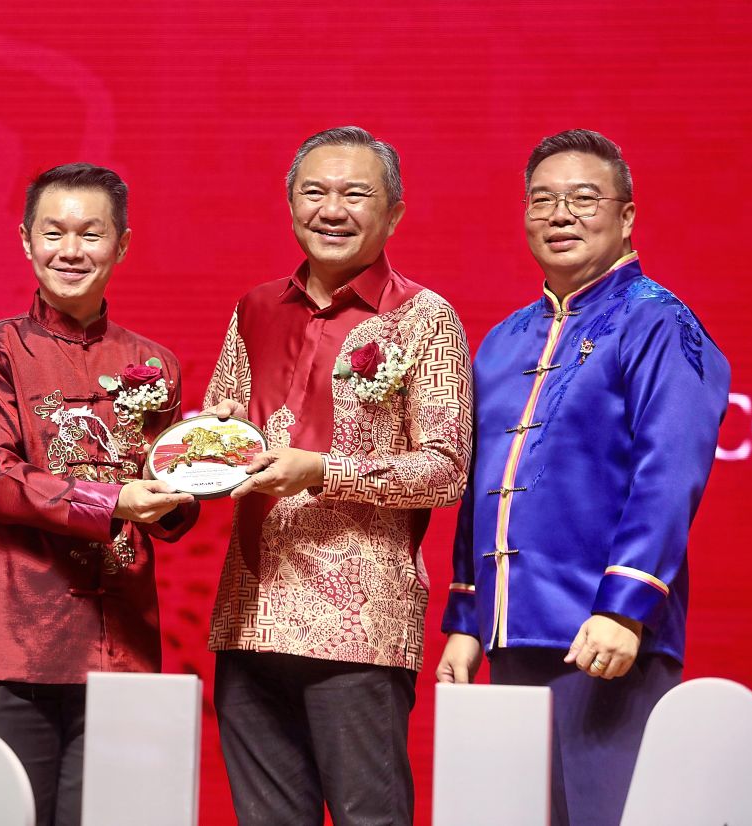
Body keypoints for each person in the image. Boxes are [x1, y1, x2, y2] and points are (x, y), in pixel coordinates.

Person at [437, 129, 731, 826]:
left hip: (605, 639)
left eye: (583, 200)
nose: (560, 215)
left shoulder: (660, 323)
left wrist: (624, 609)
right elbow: (482, 487)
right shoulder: (506, 338)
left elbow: (670, 472)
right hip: (512, 638)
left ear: (627, 217)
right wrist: (468, 619)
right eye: (543, 201)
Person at [203, 126, 473, 825]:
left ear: (395, 212)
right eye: (313, 192)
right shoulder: (254, 308)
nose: (331, 209)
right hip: (249, 614)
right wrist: (213, 439)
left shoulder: (425, 318)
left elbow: (445, 471)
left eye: (355, 193)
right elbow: (213, 441)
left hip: (360, 624)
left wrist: (323, 469)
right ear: (290, 203)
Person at [0, 162, 198, 826]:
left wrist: (207, 455)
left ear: (122, 244)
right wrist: (115, 504)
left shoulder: (156, 363)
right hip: (11, 645)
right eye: (53, 232)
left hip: (123, 649)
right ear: (26, 241)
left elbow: (171, 503)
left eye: (91, 233)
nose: (70, 250)